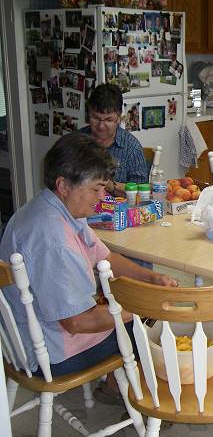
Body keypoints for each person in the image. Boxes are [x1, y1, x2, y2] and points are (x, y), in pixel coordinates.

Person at [0, 134, 178, 401]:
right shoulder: (54, 240)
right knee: (151, 328)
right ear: (64, 185)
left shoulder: (56, 206)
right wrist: (145, 307)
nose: (102, 196)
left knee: (138, 309)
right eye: (96, 189)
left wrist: (150, 277)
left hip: (34, 333)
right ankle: (138, 397)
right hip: (51, 353)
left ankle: (116, 385)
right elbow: (77, 321)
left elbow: (105, 257)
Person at [75, 83, 148, 197]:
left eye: (109, 120)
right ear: (89, 113)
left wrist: (110, 186)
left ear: (119, 117)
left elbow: (141, 193)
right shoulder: (76, 141)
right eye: (95, 118)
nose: (101, 126)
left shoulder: (132, 148)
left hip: (119, 212)